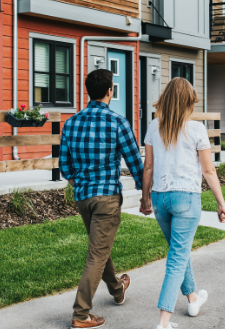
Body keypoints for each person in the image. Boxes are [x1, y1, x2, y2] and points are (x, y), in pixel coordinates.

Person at [140, 77, 225, 329]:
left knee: (179, 251)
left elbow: (148, 167)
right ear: (189, 102)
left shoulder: (153, 126)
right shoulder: (197, 129)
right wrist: (221, 204)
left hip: (160, 198)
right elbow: (209, 171)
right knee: (177, 258)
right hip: (186, 200)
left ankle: (192, 299)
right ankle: (163, 323)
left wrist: (145, 197)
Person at [59, 69, 144, 329]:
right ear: (110, 91)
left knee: (100, 247)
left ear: (88, 91)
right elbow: (135, 163)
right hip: (107, 197)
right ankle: (81, 314)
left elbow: (64, 166)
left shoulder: (71, 122)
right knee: (97, 253)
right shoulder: (118, 122)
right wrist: (145, 195)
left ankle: (117, 290)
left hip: (84, 198)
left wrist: (79, 182)